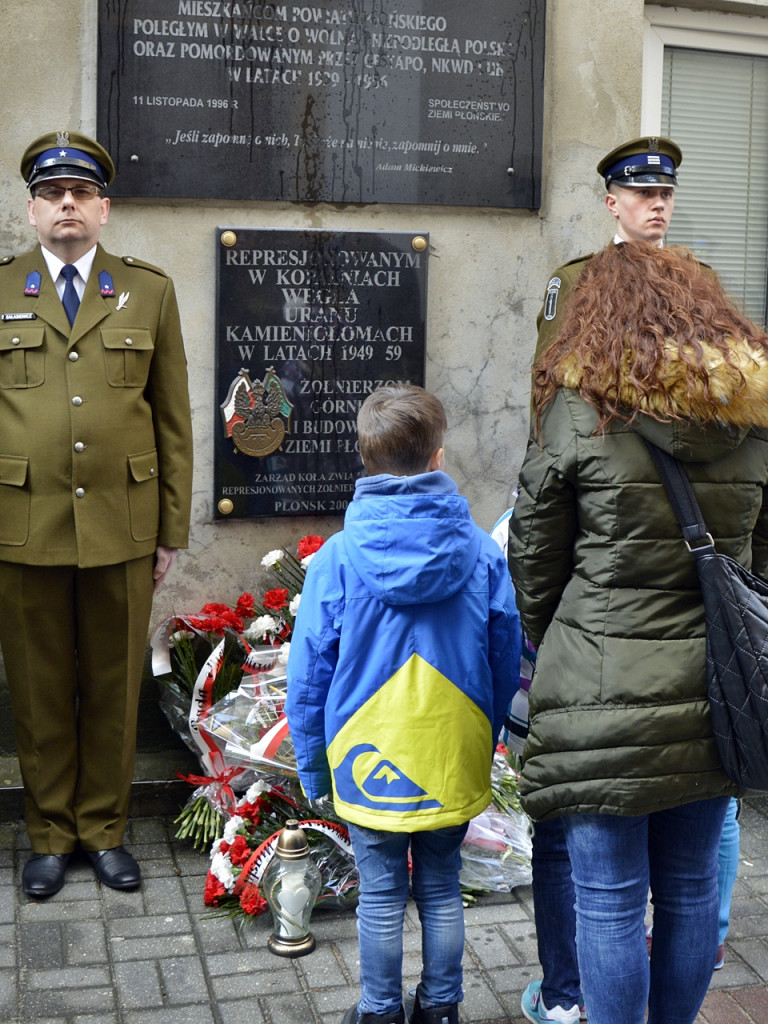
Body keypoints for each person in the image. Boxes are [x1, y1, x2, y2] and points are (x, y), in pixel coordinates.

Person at [508, 240, 768, 1024]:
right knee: (691, 894)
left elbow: (534, 551)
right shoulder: (750, 416)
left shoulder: (577, 405)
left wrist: (560, 634)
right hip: (715, 693)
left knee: (609, 902)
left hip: (598, 686)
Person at [286, 384, 520, 1024]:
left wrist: (313, 765)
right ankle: (442, 1006)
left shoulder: (335, 559)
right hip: (452, 745)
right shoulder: (479, 553)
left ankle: (380, 1010)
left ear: (365, 461)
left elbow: (308, 676)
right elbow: (506, 653)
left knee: (383, 893)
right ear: (438, 457)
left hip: (367, 751)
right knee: (443, 884)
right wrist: (486, 733)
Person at [0, 131, 193, 898]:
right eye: (52, 195)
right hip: (21, 525)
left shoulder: (148, 290)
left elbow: (173, 420)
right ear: (32, 209)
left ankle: (105, 831)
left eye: (81, 194)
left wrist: (171, 529)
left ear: (104, 209)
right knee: (39, 687)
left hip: (122, 524)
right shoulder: (3, 287)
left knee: (115, 687)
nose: (67, 206)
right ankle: (49, 834)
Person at [519, 135, 682, 1024]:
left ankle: (610, 982)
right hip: (603, 529)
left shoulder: (693, 283)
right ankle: (573, 984)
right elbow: (548, 404)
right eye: (640, 192)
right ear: (611, 202)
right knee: (586, 817)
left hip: (676, 537)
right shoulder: (576, 283)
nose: (656, 205)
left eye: (664, 192)